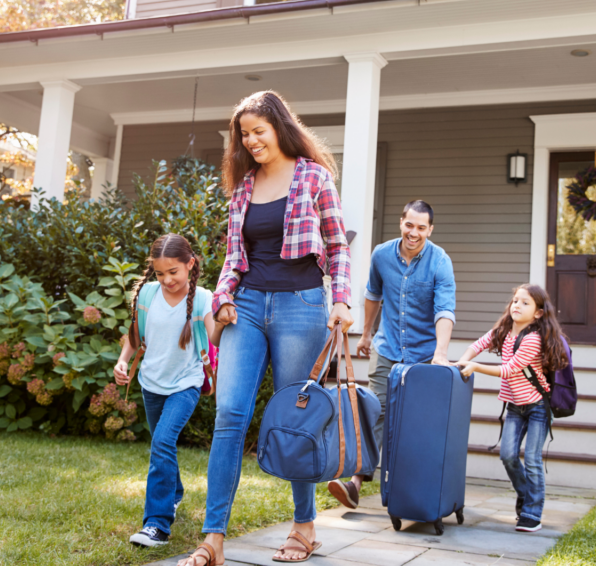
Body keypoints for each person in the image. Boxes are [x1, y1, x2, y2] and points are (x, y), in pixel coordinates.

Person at [178, 91, 353, 566]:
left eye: (258, 130)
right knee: (230, 416)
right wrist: (223, 299)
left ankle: (304, 526)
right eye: (243, 134)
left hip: (301, 306)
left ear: (279, 126)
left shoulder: (314, 177)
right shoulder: (243, 189)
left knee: (297, 420)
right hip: (249, 307)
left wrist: (340, 300)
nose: (251, 141)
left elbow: (337, 247)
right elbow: (234, 259)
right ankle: (213, 538)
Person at [326, 200, 456, 509]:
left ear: (430, 229)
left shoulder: (440, 262)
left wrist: (441, 352)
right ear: (401, 222)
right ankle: (356, 481)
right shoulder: (382, 254)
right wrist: (367, 333)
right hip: (387, 349)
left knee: (416, 422)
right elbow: (373, 295)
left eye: (421, 227)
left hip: (424, 354)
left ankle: (411, 490)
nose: (414, 233)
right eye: (409, 225)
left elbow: (444, 310)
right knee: (376, 410)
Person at [113, 234, 218, 548]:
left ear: (190, 264)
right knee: (163, 446)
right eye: (160, 273)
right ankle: (174, 493)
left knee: (161, 442)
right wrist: (122, 361)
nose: (167, 279)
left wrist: (224, 317)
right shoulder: (146, 294)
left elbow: (216, 337)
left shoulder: (202, 298)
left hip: (186, 384)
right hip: (151, 383)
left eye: (173, 272)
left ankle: (156, 525)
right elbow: (135, 333)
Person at [454, 284, 569, 533]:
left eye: (525, 303)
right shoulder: (504, 330)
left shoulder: (533, 339)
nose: (517, 305)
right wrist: (464, 358)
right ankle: (528, 494)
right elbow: (479, 343)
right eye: (515, 301)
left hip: (538, 406)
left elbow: (508, 369)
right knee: (507, 456)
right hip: (515, 407)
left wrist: (474, 367)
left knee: (533, 459)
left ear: (538, 313)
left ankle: (532, 512)